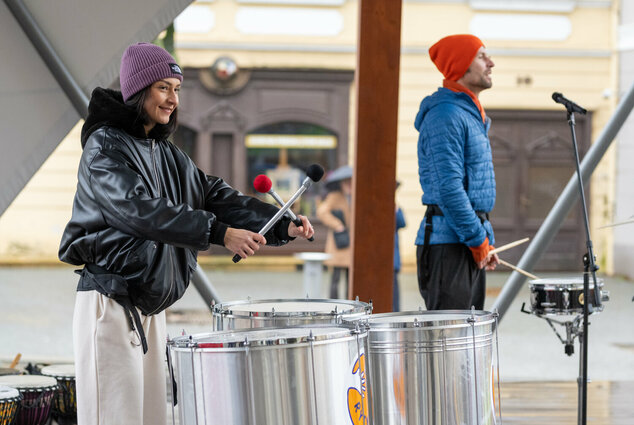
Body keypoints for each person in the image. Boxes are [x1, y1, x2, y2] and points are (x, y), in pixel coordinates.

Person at [58, 42, 314, 425]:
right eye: (163, 87)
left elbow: (214, 195)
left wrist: (280, 220)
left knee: (153, 419)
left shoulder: (166, 152)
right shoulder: (105, 147)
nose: (172, 99)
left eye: (176, 89)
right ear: (138, 90)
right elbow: (138, 210)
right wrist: (219, 233)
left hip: (150, 308)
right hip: (111, 305)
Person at [414, 34, 499, 311]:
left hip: (465, 241)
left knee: (470, 345)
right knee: (447, 347)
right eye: (481, 56)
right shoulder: (446, 115)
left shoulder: (468, 113)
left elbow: (472, 188)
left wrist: (485, 240)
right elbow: (450, 190)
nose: (491, 63)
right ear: (461, 65)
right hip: (447, 246)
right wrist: (478, 240)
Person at [316, 165, 352, 299]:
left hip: (352, 243)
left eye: (351, 182)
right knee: (335, 277)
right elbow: (322, 211)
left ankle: (350, 303)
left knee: (351, 277)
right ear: (341, 184)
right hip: (339, 242)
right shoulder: (335, 196)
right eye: (346, 182)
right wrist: (337, 224)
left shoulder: (357, 196)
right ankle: (335, 303)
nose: (349, 185)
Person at [393, 183, 406, 312]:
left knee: (395, 288)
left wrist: (396, 209)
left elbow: (402, 222)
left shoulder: (396, 207)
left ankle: (395, 310)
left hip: (393, 255)